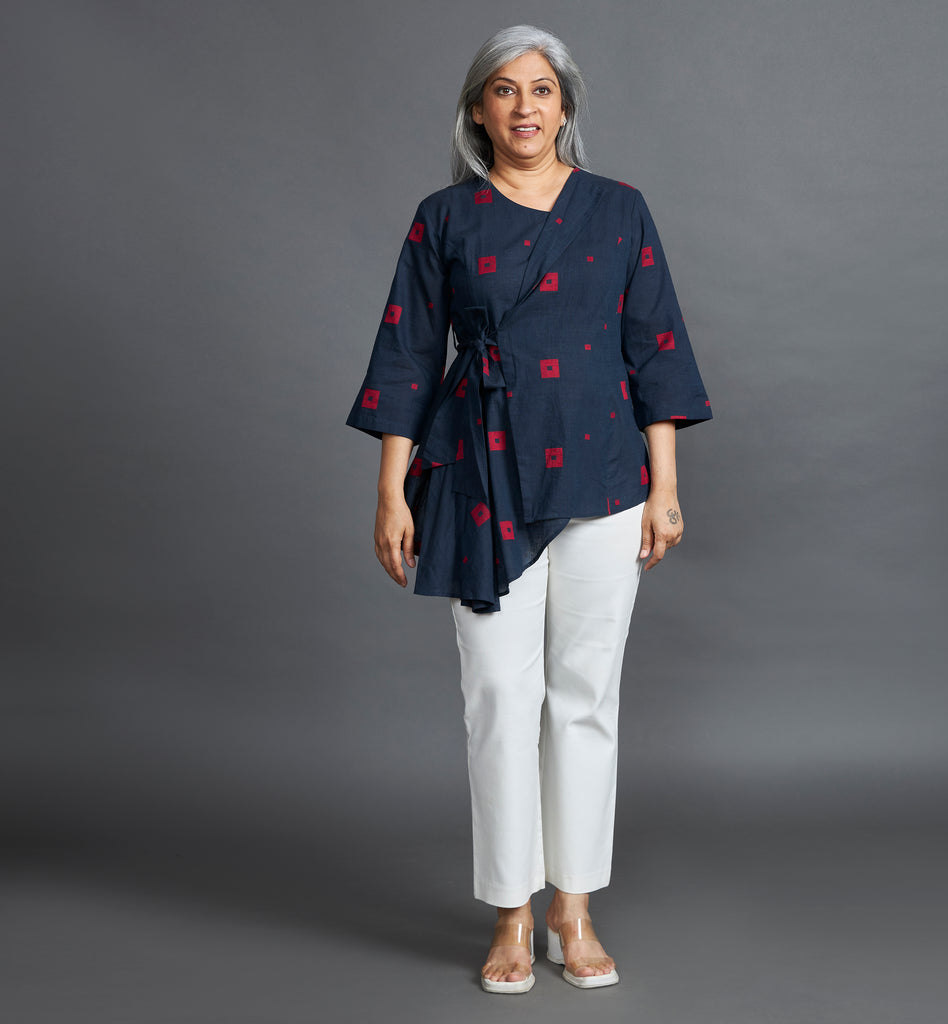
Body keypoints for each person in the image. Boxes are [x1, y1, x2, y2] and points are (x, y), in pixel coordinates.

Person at [347, 25, 711, 994]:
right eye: (503, 91)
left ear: (565, 105)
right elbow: (406, 355)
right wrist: (390, 489)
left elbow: (656, 348)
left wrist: (666, 487)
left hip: (604, 473)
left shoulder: (619, 210)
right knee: (500, 701)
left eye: (541, 89)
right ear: (477, 111)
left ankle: (572, 910)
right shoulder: (443, 218)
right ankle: (511, 912)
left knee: (586, 697)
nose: (524, 107)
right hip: (481, 474)